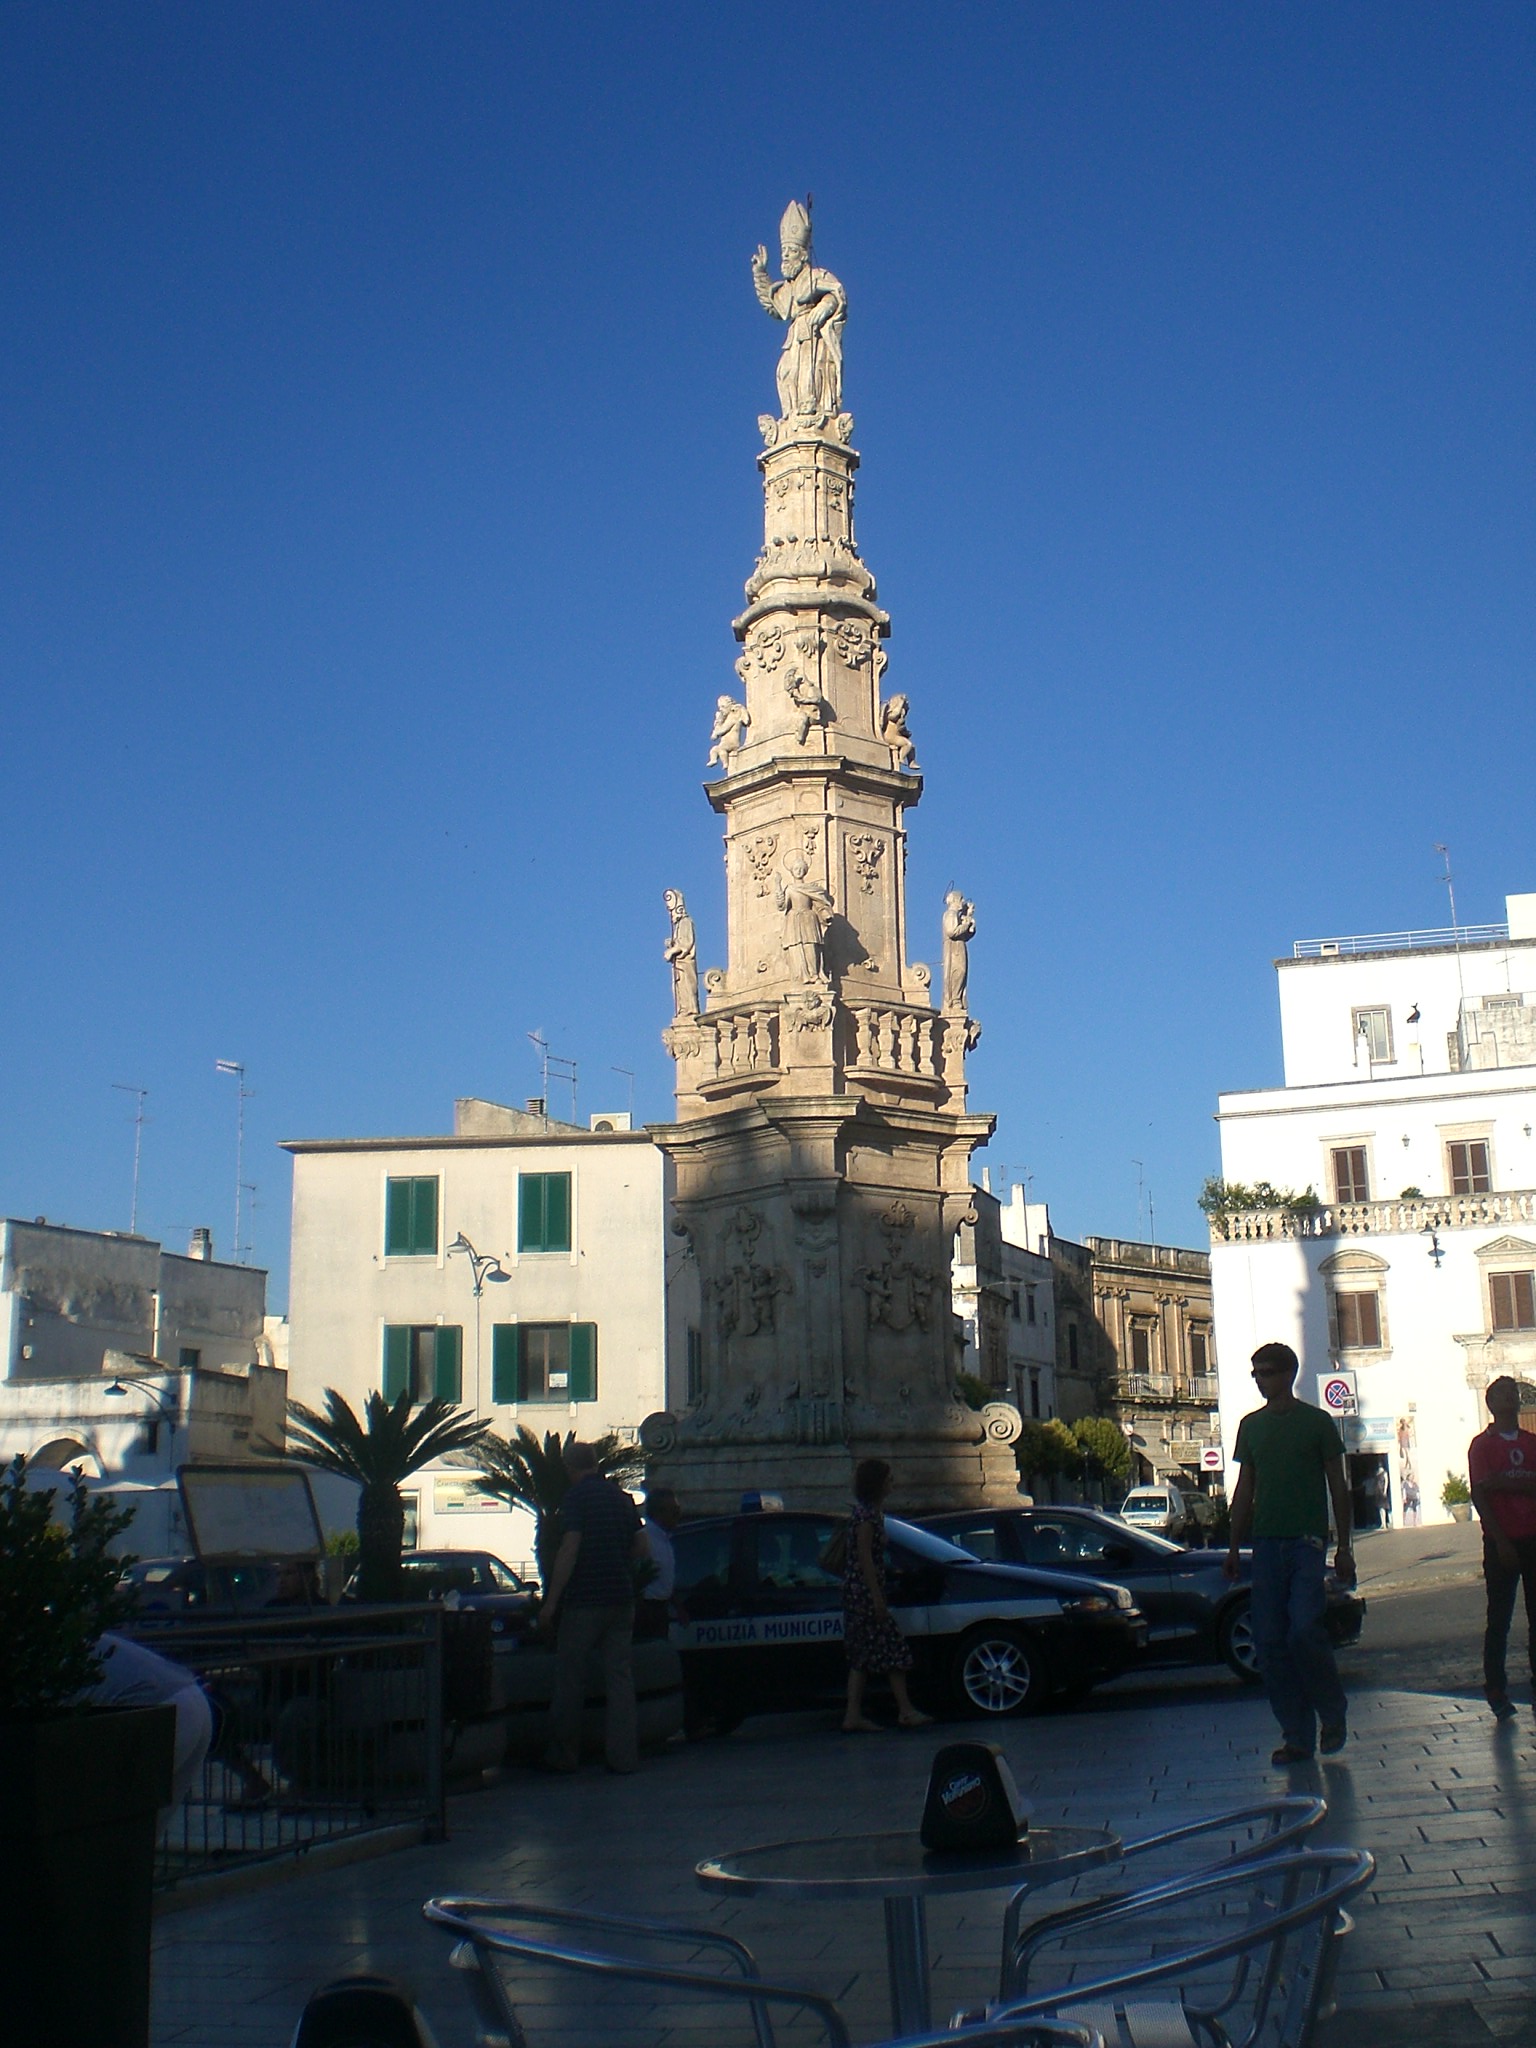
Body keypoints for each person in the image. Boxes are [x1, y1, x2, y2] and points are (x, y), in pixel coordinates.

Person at [1224, 1341, 1353, 1765]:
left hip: (1306, 1543)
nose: (1260, 1379)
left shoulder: (1316, 1424)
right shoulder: (1251, 1426)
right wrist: (1232, 1546)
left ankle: (1331, 1713)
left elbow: (1338, 1484)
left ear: (1287, 1375)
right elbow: (1245, 1488)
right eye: (1256, 1372)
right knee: (1271, 1642)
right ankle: (1297, 1735)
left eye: (1266, 1372)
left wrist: (1346, 1547)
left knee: (1303, 1630)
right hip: (1265, 1544)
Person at [539, 1442, 646, 1774]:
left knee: (571, 1677)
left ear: (570, 1468)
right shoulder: (621, 1498)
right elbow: (642, 1548)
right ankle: (624, 1757)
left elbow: (570, 1548)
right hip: (621, 1598)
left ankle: (564, 1755)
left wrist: (551, 1602)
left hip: (585, 1601)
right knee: (620, 1678)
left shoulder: (576, 1499)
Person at [841, 1457, 932, 1733]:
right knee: (891, 1649)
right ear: (878, 1484)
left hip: (859, 1593)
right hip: (865, 1595)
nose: (893, 1483)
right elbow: (865, 1558)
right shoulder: (867, 1517)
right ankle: (904, 1710)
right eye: (889, 1479)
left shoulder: (867, 1513)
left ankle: (854, 1715)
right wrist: (877, 1597)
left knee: (864, 1655)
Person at [1468, 1376, 1536, 1721]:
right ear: (1491, 1403)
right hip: (1501, 1540)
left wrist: (1503, 1483)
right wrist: (1500, 1540)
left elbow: (1495, 1485)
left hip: (1533, 1536)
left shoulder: (1532, 1442)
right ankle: (1495, 1686)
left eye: (1514, 1392)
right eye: (1502, 1393)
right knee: (1499, 1618)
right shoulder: (1482, 1446)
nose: (1511, 1397)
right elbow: (1480, 1493)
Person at [637, 1485, 681, 1641]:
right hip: (646, 1612)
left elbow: (664, 1577)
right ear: (659, 1512)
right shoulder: (645, 1537)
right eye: (674, 1511)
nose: (678, 1515)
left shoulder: (664, 1538)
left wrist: (678, 1607)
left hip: (661, 1610)